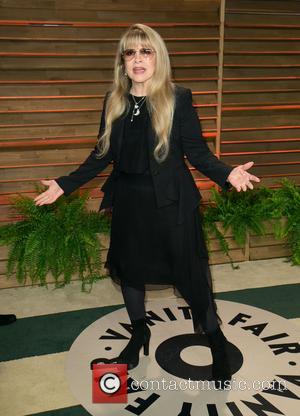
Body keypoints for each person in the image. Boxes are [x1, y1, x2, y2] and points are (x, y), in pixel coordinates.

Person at [33, 23, 260, 389]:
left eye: (146, 51)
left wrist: (226, 173)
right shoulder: (114, 100)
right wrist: (65, 183)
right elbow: (102, 154)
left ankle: (216, 340)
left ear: (158, 58)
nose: (138, 59)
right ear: (123, 62)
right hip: (129, 201)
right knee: (131, 269)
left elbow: (197, 152)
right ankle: (139, 334)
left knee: (189, 275)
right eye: (130, 52)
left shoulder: (178, 97)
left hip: (171, 203)